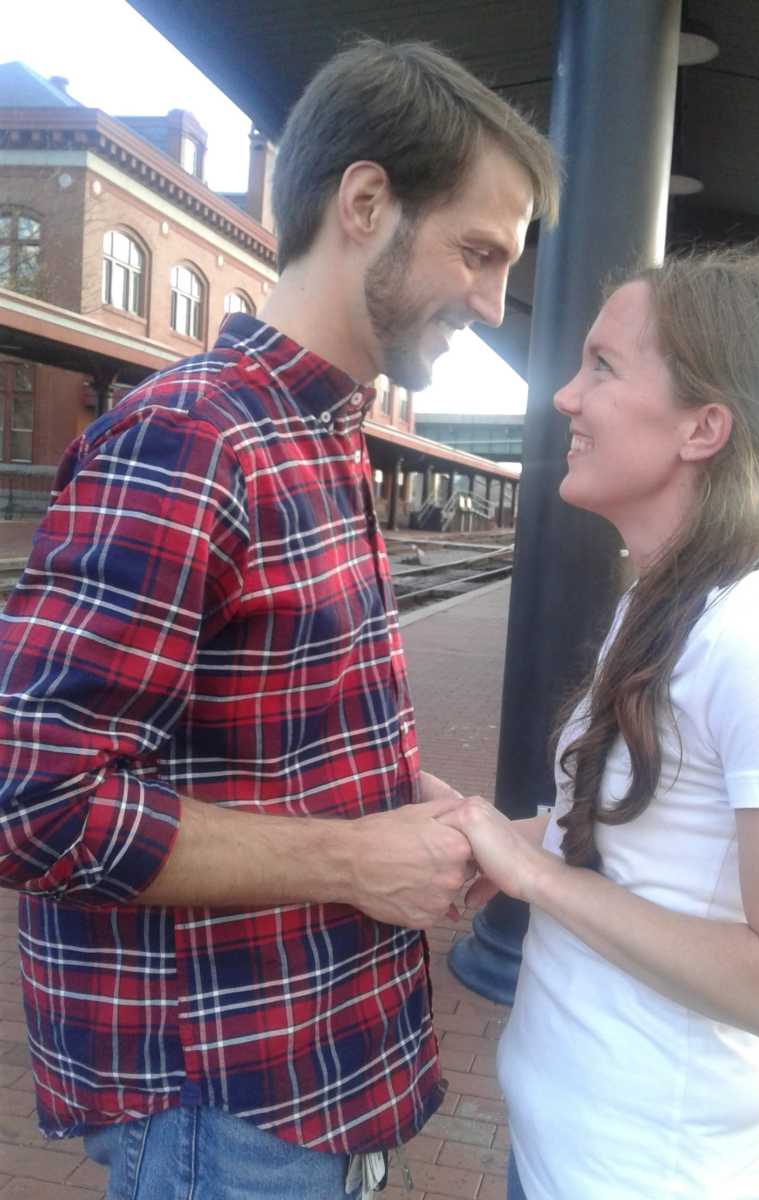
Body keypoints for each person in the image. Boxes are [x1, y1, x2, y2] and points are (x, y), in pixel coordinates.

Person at [0, 39, 558, 1200]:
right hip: (224, 1108)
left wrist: (415, 810)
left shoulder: (320, 438)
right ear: (365, 203)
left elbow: (267, 744)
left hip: (305, 1078)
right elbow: (34, 800)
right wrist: (357, 860)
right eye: (478, 250)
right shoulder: (193, 438)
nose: (495, 303)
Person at [444, 247, 759, 1200]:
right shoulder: (666, 607)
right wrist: (485, 834)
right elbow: (641, 860)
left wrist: (539, 880)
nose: (565, 396)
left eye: (602, 365)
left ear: (702, 427)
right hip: (566, 1155)